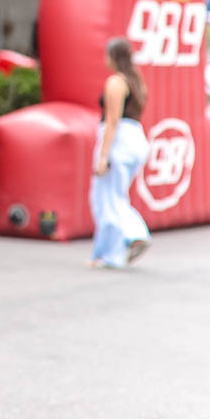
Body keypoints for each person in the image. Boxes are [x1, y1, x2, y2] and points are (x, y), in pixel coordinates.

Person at [89, 36, 151, 268]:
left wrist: (103, 155)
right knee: (114, 196)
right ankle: (110, 251)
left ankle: (126, 240)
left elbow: (112, 121)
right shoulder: (137, 82)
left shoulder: (116, 82)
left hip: (120, 143)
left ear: (113, 57)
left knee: (107, 199)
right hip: (135, 139)